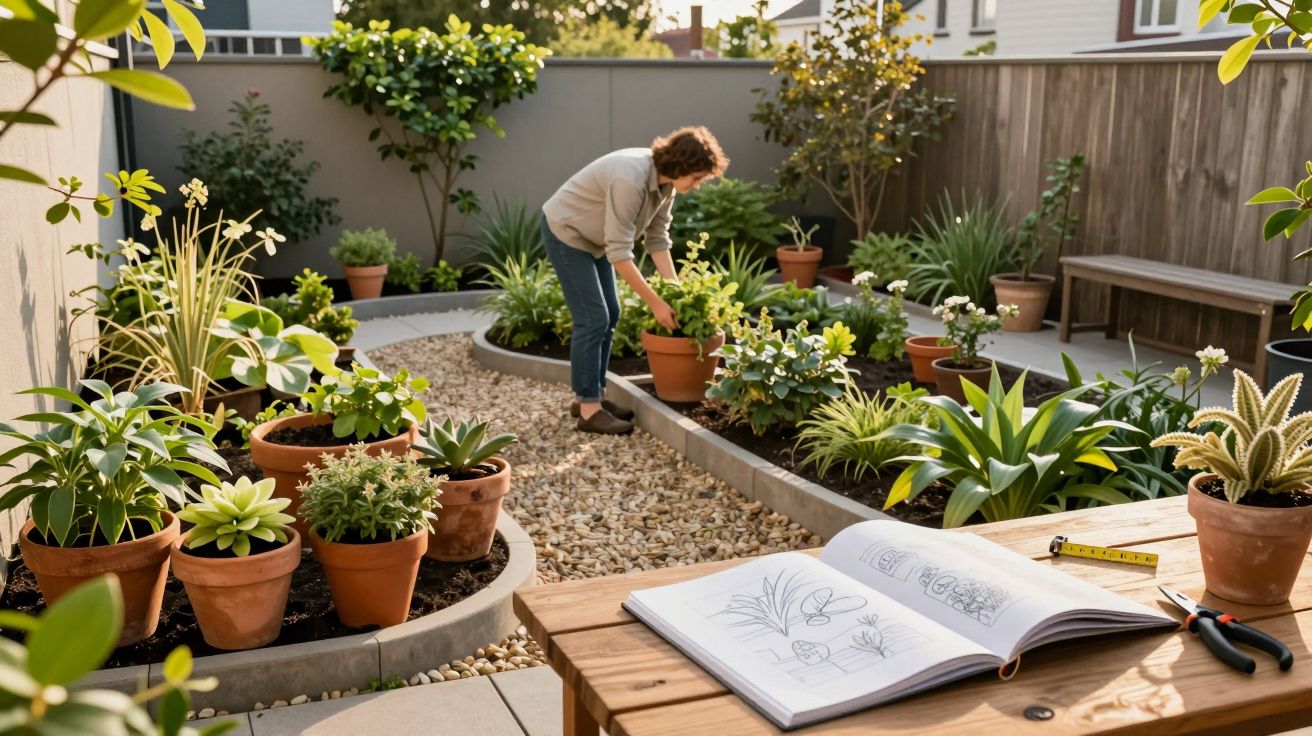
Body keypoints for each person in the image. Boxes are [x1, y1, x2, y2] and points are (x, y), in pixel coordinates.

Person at [542, 126, 729, 434]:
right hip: (567, 232)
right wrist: (655, 302)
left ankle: (591, 399)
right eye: (696, 178)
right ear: (681, 165)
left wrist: (675, 292)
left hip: (594, 239)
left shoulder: (666, 185)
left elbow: (657, 239)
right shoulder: (630, 178)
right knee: (593, 319)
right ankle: (589, 411)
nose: (696, 185)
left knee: (610, 314)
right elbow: (619, 252)